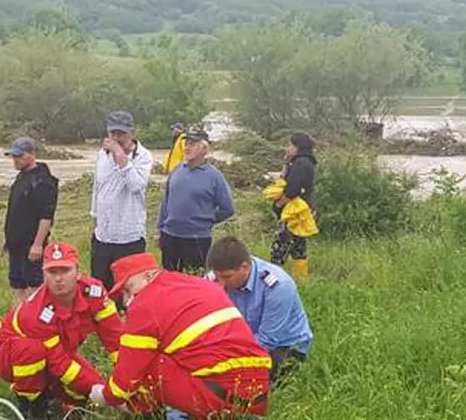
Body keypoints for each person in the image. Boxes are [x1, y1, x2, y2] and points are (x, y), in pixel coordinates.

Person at [88, 253, 271, 420]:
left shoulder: (144, 304)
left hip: (218, 396)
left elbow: (127, 378)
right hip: (259, 391)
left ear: (149, 276)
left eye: (128, 289)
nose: (127, 301)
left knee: (148, 362)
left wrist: (105, 396)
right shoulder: (198, 285)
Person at [0, 242, 121, 420]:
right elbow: (60, 364)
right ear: (43, 274)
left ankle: (51, 393)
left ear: (77, 270)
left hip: (57, 353)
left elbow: (115, 337)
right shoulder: (37, 312)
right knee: (32, 351)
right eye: (52, 272)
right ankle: (32, 410)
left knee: (87, 393)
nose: (59, 279)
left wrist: (125, 379)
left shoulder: (94, 293)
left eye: (65, 270)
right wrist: (97, 389)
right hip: (8, 357)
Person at [205, 236, 312, 383]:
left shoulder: (277, 287)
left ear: (244, 267)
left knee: (239, 382)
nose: (221, 283)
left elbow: (267, 341)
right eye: (218, 277)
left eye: (227, 277)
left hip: (282, 346)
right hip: (237, 342)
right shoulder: (214, 279)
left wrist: (225, 354)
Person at [89, 110, 154, 291]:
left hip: (129, 238)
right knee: (100, 289)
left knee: (129, 289)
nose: (117, 138)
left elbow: (136, 185)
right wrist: (95, 217)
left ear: (132, 133)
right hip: (103, 236)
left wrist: (120, 155)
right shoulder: (102, 155)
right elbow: (98, 187)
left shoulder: (144, 157)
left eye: (121, 134)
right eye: (113, 133)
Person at [156, 127, 234, 274]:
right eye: (186, 144)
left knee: (194, 281)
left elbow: (227, 208)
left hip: (197, 239)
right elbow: (165, 202)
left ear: (204, 149)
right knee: (170, 280)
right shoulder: (176, 170)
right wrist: (159, 230)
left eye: (193, 144)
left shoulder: (214, 176)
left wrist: (206, 220)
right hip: (170, 236)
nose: (187, 148)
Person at [2, 136, 59, 305]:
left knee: (34, 287)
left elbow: (46, 216)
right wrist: (8, 241)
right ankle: (17, 323)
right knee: (17, 284)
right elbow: (15, 212)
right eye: (13, 156)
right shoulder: (21, 177)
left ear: (31, 154)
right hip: (16, 243)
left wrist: (38, 244)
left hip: (31, 244)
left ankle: (34, 324)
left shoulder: (43, 181)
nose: (15, 160)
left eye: (19, 156)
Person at [269, 132, 318, 281]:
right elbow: (284, 178)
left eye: (290, 145)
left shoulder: (301, 163)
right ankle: (301, 279)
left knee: (280, 246)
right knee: (298, 245)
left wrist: (278, 204)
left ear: (297, 146)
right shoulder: (304, 161)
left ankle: (275, 279)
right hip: (301, 210)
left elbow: (292, 189)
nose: (287, 148)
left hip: (294, 211)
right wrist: (286, 162)